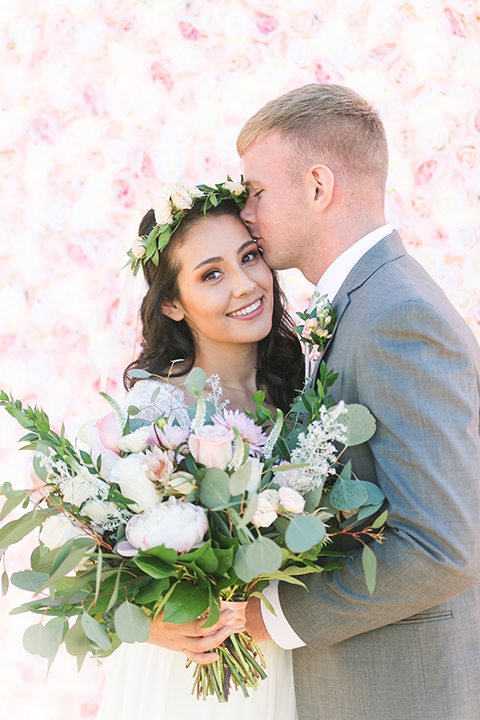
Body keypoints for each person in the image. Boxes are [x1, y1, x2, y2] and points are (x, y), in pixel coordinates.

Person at [232, 83, 480, 720]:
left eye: (256, 191)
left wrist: (278, 617)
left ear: (318, 186)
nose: (247, 214)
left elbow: (443, 545)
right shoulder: (357, 304)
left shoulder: (397, 315)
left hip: (397, 694)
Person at [96, 188, 303, 719]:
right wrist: (151, 617)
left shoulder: (300, 393)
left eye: (249, 256)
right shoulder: (157, 408)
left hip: (283, 659)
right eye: (211, 274)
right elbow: (102, 550)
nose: (245, 284)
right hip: (187, 672)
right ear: (172, 303)